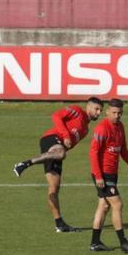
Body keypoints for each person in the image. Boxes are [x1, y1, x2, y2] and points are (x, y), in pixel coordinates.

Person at [13, 97, 104, 232]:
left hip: (57, 150)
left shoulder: (85, 130)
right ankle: (25, 164)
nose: (98, 113)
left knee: (54, 189)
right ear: (88, 107)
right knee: (62, 154)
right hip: (51, 138)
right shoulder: (76, 110)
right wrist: (65, 135)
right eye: (96, 109)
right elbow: (56, 116)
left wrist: (65, 142)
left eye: (100, 110)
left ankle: (59, 224)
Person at [88, 99, 128, 254]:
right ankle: (123, 242)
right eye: (114, 113)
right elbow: (93, 152)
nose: (117, 116)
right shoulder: (102, 128)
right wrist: (98, 176)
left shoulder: (120, 127)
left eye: (120, 113)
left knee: (103, 206)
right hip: (103, 174)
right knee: (117, 204)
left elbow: (122, 149)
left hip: (112, 173)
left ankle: (95, 243)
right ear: (107, 112)